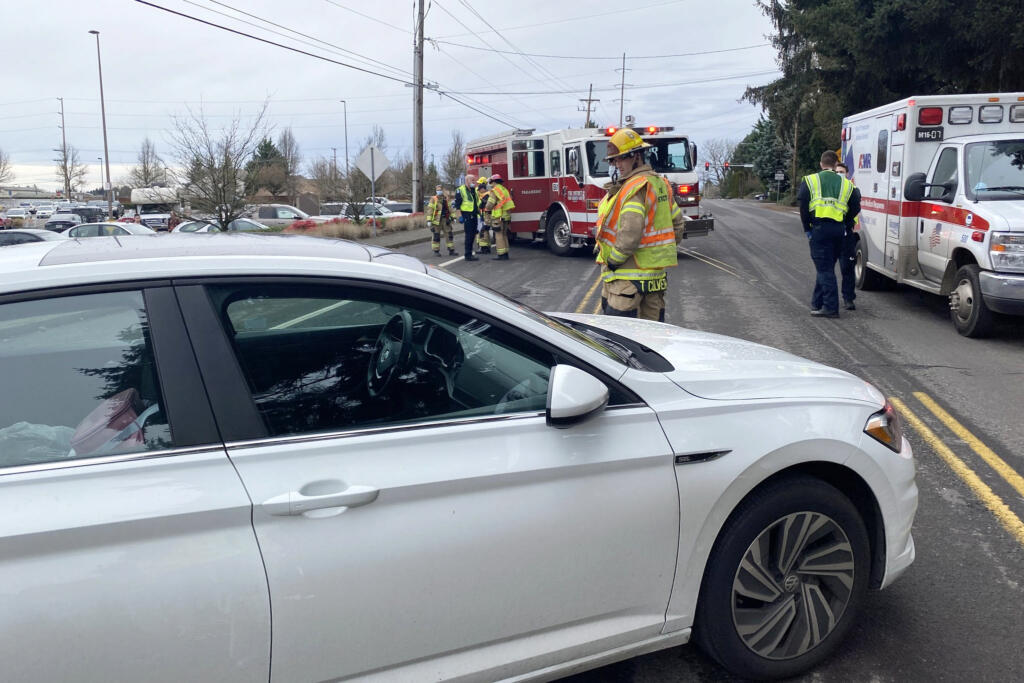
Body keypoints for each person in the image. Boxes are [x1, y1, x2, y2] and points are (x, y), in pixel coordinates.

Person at [594, 128, 686, 322]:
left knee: (619, 344)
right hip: (655, 282)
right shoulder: (660, 184)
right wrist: (656, 255)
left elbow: (630, 233)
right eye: (614, 160)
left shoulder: (633, 187)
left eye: (621, 159)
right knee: (652, 343)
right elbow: (677, 225)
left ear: (636, 156)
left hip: (625, 285)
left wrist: (613, 261)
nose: (617, 164)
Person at [798, 150, 859, 318]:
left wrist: (807, 229)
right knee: (825, 267)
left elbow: (803, 205)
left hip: (819, 229)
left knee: (824, 269)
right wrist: (846, 223)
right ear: (835, 164)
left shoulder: (811, 180)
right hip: (839, 230)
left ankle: (830, 308)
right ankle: (817, 303)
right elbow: (855, 205)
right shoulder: (847, 184)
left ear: (821, 163)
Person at [835, 161, 861, 310]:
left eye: (842, 172)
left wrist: (846, 222)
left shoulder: (853, 189)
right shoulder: (830, 190)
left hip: (846, 234)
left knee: (847, 268)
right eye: (837, 171)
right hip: (832, 234)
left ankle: (848, 298)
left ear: (847, 174)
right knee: (827, 269)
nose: (839, 174)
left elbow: (855, 208)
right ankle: (827, 299)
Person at [484, 174, 515, 260]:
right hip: (506, 216)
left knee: (498, 235)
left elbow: (490, 204)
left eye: (491, 182)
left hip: (498, 216)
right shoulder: (504, 189)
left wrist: (485, 207)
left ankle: (501, 254)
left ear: (493, 182)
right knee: (504, 234)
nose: (490, 184)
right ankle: (506, 253)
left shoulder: (495, 190)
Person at [426, 184, 457, 256]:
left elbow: (451, 209)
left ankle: (451, 250)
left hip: (446, 220)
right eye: (438, 190)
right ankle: (436, 251)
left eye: (440, 190)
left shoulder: (446, 199)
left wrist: (454, 217)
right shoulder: (433, 199)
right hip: (436, 220)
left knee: (449, 235)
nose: (439, 191)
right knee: (436, 236)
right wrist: (429, 220)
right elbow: (430, 210)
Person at [455, 174, 479, 261]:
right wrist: (460, 216)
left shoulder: (474, 190)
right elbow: (457, 206)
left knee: (473, 235)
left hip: (474, 215)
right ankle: (468, 255)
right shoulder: (460, 190)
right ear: (467, 181)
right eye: (472, 180)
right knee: (469, 236)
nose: (474, 182)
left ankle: (470, 253)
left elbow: (476, 203)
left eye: (474, 180)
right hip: (467, 216)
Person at [474, 176, 491, 254]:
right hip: (483, 214)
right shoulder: (486, 193)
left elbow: (482, 205)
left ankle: (483, 247)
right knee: (484, 231)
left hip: (484, 215)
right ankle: (485, 246)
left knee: (482, 231)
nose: (478, 186)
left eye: (479, 185)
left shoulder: (486, 194)